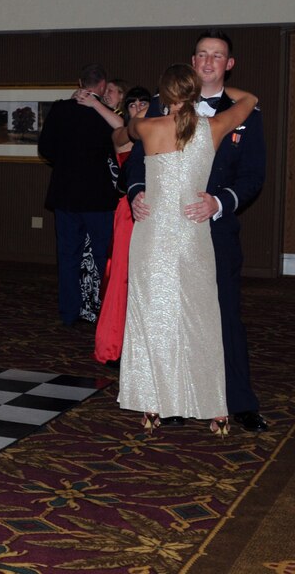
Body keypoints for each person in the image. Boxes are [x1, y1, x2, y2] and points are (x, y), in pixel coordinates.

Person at [125, 30, 268, 432]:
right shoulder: (158, 109)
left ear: (229, 64)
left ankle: (239, 401)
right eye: (202, 55)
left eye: (217, 56)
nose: (208, 61)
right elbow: (136, 164)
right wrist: (136, 192)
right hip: (161, 222)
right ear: (192, 62)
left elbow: (254, 175)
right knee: (167, 312)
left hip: (213, 228)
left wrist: (219, 202)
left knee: (222, 316)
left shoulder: (241, 114)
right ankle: (172, 399)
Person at [37, 64, 118, 326]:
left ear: (79, 82)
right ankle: (104, 310)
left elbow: (45, 148)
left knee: (68, 256)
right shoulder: (106, 114)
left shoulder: (61, 109)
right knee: (103, 257)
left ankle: (69, 312)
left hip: (66, 193)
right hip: (98, 196)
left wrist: (66, 164)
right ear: (103, 86)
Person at [84, 85, 149, 364]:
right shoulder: (122, 133)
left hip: (156, 211)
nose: (137, 107)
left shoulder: (159, 131)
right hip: (128, 210)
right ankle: (114, 346)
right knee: (121, 276)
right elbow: (127, 133)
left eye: (142, 103)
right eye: (131, 103)